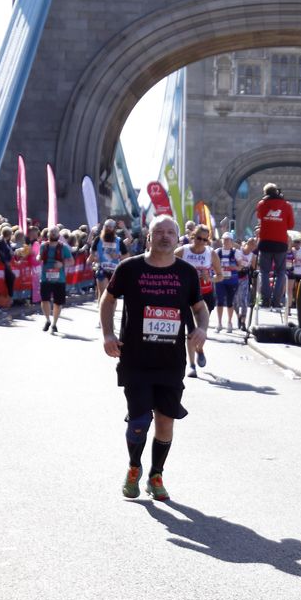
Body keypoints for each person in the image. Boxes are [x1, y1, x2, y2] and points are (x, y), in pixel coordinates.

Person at [101, 214, 208, 501]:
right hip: (135, 357)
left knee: (165, 421)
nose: (164, 236)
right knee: (138, 421)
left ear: (177, 239)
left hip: (170, 362)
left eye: (170, 233)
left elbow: (199, 307)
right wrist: (108, 334)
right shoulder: (130, 268)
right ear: (148, 237)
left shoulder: (186, 272)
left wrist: (202, 329)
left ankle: (156, 474)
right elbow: (108, 299)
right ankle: (134, 467)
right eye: (158, 231)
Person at [177, 226, 221, 375]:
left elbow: (220, 275)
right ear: (192, 236)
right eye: (198, 238)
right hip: (187, 296)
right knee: (190, 330)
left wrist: (211, 278)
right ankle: (192, 365)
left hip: (205, 295)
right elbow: (169, 265)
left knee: (200, 330)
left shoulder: (211, 253)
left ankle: (200, 349)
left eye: (204, 239)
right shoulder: (183, 251)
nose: (201, 242)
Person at [255, 183, 295, 309]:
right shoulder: (287, 205)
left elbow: (259, 217)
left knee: (264, 272)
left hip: (265, 242)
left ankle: (265, 299)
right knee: (281, 272)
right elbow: (291, 225)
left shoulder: (261, 204)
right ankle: (277, 300)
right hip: (280, 243)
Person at [39, 226, 72, 334]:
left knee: (58, 303)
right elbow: (39, 256)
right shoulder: (43, 246)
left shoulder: (64, 248)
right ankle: (48, 320)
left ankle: (54, 323)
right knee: (44, 300)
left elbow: (72, 261)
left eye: (55, 232)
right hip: (45, 278)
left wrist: (62, 264)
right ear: (48, 234)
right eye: (51, 232)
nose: (53, 234)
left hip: (59, 279)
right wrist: (38, 257)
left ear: (58, 235)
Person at [92, 219, 125, 304]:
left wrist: (118, 256)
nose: (108, 228)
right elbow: (92, 252)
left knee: (112, 296)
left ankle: (111, 315)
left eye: (110, 227)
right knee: (103, 294)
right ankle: (102, 315)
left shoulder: (119, 240)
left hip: (115, 271)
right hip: (102, 268)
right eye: (106, 226)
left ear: (114, 228)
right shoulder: (98, 239)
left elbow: (127, 255)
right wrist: (94, 257)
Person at [214, 233, 241, 331]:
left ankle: (229, 322)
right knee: (219, 301)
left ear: (232, 242)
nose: (226, 242)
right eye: (224, 240)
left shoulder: (236, 253)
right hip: (220, 280)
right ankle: (219, 323)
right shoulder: (217, 252)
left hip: (232, 281)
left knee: (230, 302)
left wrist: (234, 267)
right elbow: (212, 264)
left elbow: (240, 267)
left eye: (228, 240)